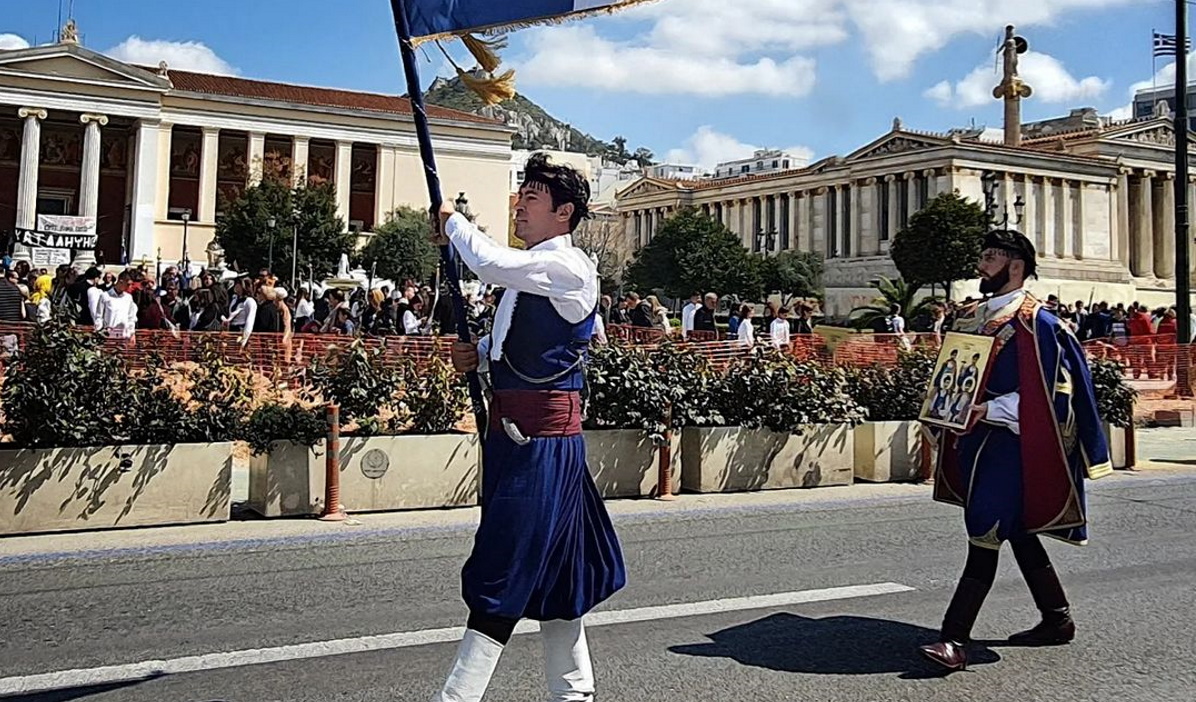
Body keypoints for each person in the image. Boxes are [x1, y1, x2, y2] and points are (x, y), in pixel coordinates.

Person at [432, 152, 625, 702]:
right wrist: (479, 356)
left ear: (563, 213)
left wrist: (451, 222)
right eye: (521, 196)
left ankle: (457, 697)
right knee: (558, 571)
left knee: (502, 569)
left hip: (543, 444)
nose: (519, 205)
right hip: (517, 441)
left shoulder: (568, 267)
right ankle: (574, 693)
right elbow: (510, 353)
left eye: (531, 198)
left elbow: (488, 262)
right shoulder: (527, 279)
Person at [919, 229, 1110, 672]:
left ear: (1016, 266)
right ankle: (1057, 619)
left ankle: (953, 639)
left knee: (984, 531)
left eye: (990, 257)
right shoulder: (972, 318)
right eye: (983, 256)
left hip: (1015, 447)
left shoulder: (1038, 324)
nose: (982, 265)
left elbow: (1053, 395)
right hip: (976, 443)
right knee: (1020, 533)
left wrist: (991, 408)